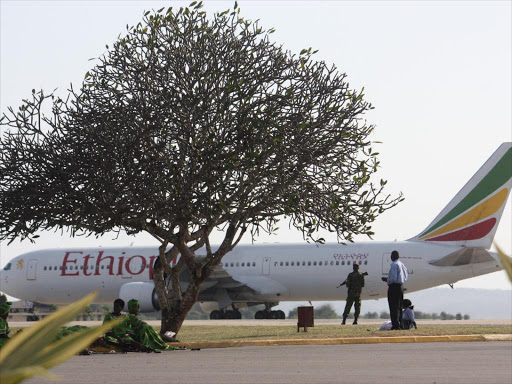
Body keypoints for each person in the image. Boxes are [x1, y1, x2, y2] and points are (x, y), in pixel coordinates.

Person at [383, 250, 408, 330]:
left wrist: (387, 280)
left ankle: (395, 325)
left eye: (391, 256)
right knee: (399, 306)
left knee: (393, 306)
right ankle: (400, 324)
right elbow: (405, 276)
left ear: (393, 256)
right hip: (401, 286)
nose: (391, 257)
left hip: (394, 287)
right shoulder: (402, 264)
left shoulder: (394, 264)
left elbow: (393, 277)